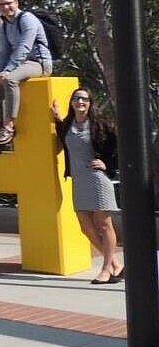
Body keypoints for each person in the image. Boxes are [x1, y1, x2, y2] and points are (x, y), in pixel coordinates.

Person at [51, 88, 123, 284]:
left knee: (103, 224)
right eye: (76, 98)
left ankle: (107, 269)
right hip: (79, 179)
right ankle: (116, 263)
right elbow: (62, 134)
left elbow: (118, 143)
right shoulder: (68, 124)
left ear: (90, 103)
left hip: (98, 179)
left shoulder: (99, 124)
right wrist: (57, 116)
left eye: (84, 99)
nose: (80, 102)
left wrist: (108, 164)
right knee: (86, 227)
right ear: (72, 102)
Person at [0, 0, 52, 146]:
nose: (6, 7)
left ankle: (9, 126)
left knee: (11, 80)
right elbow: (3, 51)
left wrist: (7, 71)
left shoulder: (27, 19)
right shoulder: (5, 25)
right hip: (21, 64)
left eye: (8, 3)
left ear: (16, 3)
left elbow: (24, 47)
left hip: (39, 63)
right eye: (1, 4)